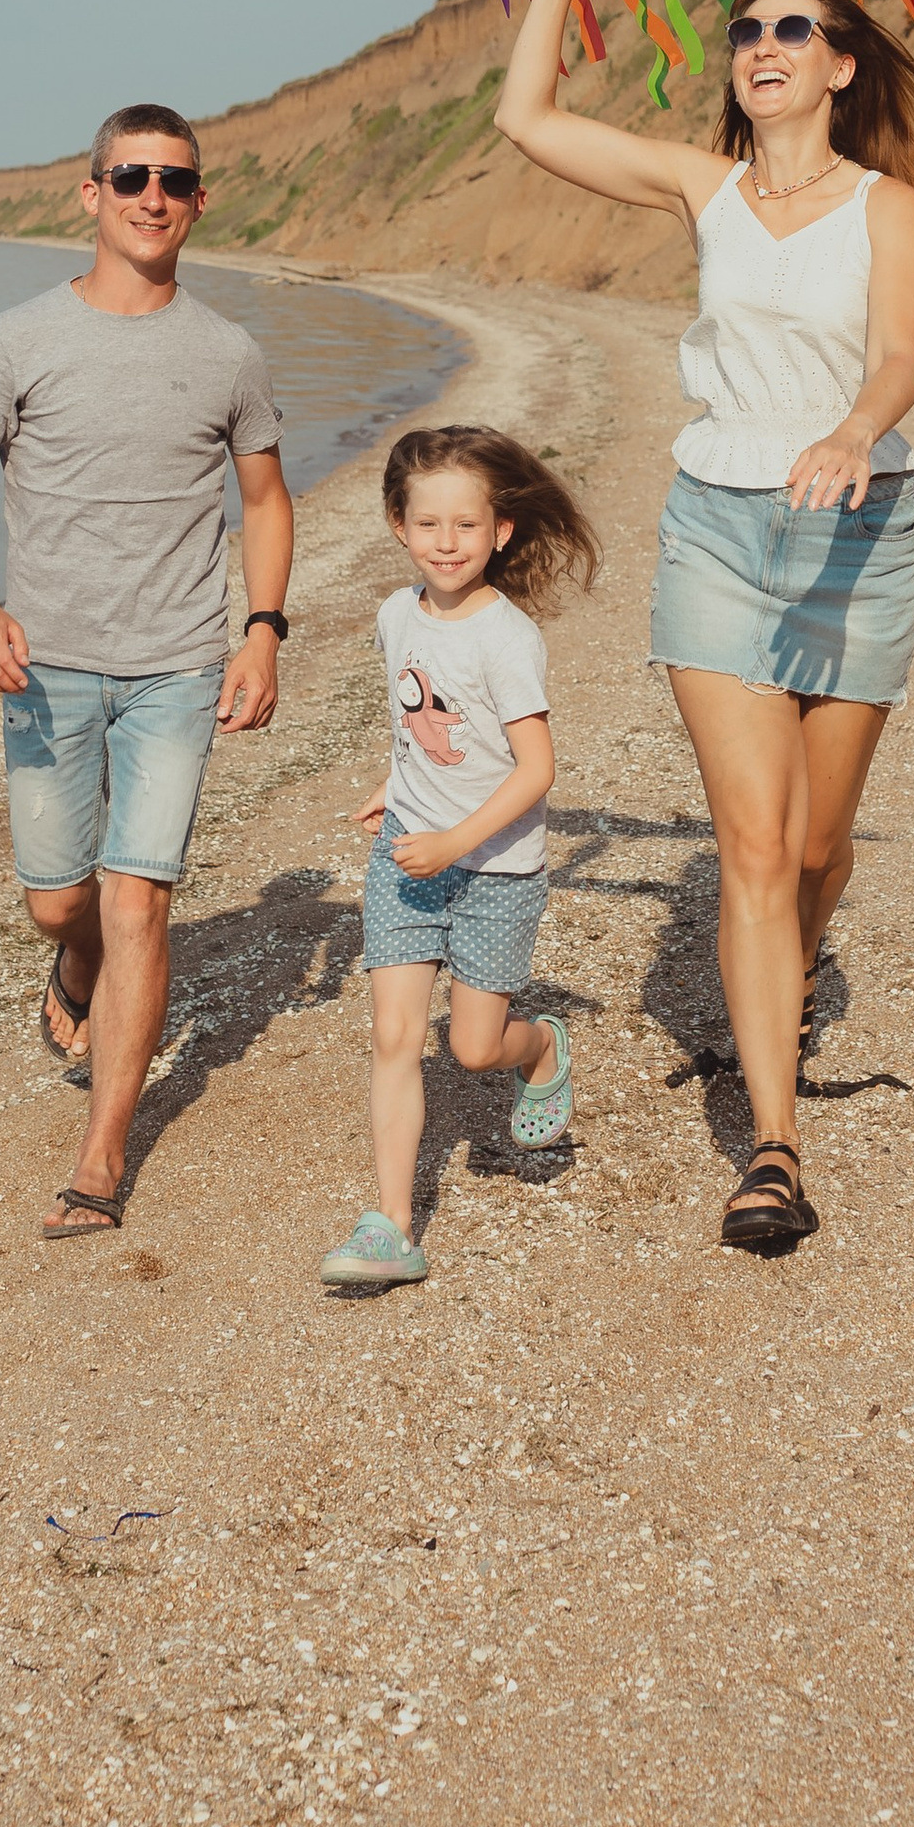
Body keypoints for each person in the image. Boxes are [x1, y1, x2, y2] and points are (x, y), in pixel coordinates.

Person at [492, 0, 914, 1254]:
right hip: (717, 528)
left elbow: (899, 355)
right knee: (752, 848)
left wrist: (855, 430)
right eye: (746, 31)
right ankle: (773, 1146)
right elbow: (526, 118)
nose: (761, 46)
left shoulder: (884, 204)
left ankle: (787, 973)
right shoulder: (702, 188)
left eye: (790, 31)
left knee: (814, 848)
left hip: (857, 534)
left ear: (838, 67)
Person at [0, 104, 294, 1239]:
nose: (151, 197)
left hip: (178, 666)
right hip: (47, 671)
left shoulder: (228, 352)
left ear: (199, 202)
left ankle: (100, 1159)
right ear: (91, 193)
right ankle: (70, 964)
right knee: (57, 901)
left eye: (173, 181)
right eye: (130, 177)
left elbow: (266, 499)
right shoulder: (17, 339)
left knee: (140, 901)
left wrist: (262, 630)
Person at [320, 425, 600, 1294]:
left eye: (467, 526)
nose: (447, 543)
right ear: (398, 525)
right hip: (408, 857)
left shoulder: (506, 638)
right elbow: (425, 722)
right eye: (428, 524)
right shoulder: (394, 615)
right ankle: (391, 1227)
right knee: (395, 1037)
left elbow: (536, 769)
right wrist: (396, 783)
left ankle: (539, 1049)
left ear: (500, 532)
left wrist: (455, 840)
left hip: (496, 872)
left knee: (474, 1049)